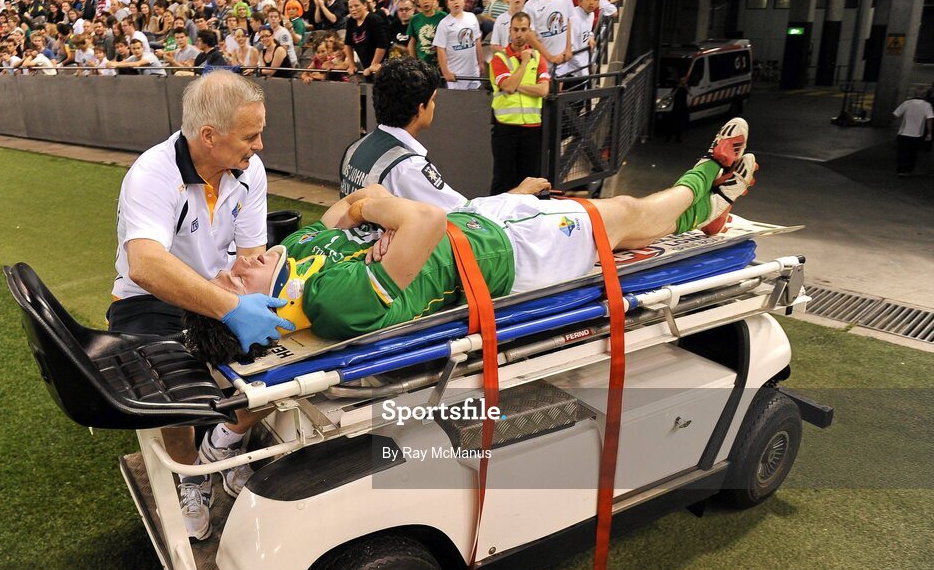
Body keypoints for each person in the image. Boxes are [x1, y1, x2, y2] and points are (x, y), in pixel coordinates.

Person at [187, 118, 756, 357]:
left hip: (480, 225)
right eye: (237, 280)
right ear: (270, 310)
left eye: (227, 269)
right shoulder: (329, 300)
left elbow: (355, 204)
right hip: (503, 255)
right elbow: (420, 220)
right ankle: (708, 174)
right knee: (626, 214)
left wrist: (376, 212)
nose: (239, 264)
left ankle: (709, 208)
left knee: (620, 224)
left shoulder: (304, 256)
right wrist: (382, 213)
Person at [108, 72, 292, 540]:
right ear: (208, 136)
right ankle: (191, 476)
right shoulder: (153, 174)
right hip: (148, 298)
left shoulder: (249, 170)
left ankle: (222, 448)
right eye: (250, 136)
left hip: (221, 291)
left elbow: (250, 255)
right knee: (176, 391)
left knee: (287, 362)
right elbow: (146, 265)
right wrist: (229, 309)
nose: (260, 146)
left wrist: (246, 301)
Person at [340, 58, 549, 208]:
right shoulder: (407, 167)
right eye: (432, 101)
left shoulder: (355, 148)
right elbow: (463, 213)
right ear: (420, 108)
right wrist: (519, 193)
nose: (434, 107)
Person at [489, 12, 550, 195]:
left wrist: (517, 85)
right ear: (510, 30)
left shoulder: (539, 58)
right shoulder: (499, 59)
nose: (519, 34)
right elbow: (507, 86)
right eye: (515, 29)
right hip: (505, 129)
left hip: (532, 128)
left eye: (523, 30)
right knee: (503, 180)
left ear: (529, 31)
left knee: (530, 180)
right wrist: (524, 63)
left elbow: (543, 91)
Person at [525, 0, 574, 69]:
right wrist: (550, 57)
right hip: (544, 63)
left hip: (564, 58)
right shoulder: (530, 6)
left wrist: (569, 48)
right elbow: (530, 37)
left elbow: (568, 20)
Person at [433, 0, 483, 89]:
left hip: (473, 72)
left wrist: (481, 62)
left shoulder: (472, 17)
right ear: (447, 4)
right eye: (452, 0)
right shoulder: (444, 24)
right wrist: (446, 72)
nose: (456, 2)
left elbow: (477, 41)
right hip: (456, 74)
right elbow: (440, 49)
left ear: (464, 1)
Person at [344, 0, 390, 78]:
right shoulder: (351, 21)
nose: (353, 9)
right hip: (365, 66)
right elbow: (347, 44)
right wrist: (351, 65)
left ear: (365, 5)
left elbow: (382, 46)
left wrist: (372, 66)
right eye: (350, 7)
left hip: (381, 68)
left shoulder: (374, 19)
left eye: (356, 6)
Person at [892, 90, 933, 177]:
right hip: (917, 135)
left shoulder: (906, 103)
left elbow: (895, 115)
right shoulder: (927, 105)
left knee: (902, 152)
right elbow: (929, 119)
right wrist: (929, 133)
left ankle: (901, 170)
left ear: (914, 94)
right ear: (924, 95)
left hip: (903, 133)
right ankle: (908, 169)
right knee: (913, 153)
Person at [407, 0, 448, 65]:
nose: (426, 1)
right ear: (417, 1)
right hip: (422, 63)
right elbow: (412, 42)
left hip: (440, 63)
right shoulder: (414, 19)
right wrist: (414, 62)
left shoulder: (444, 17)